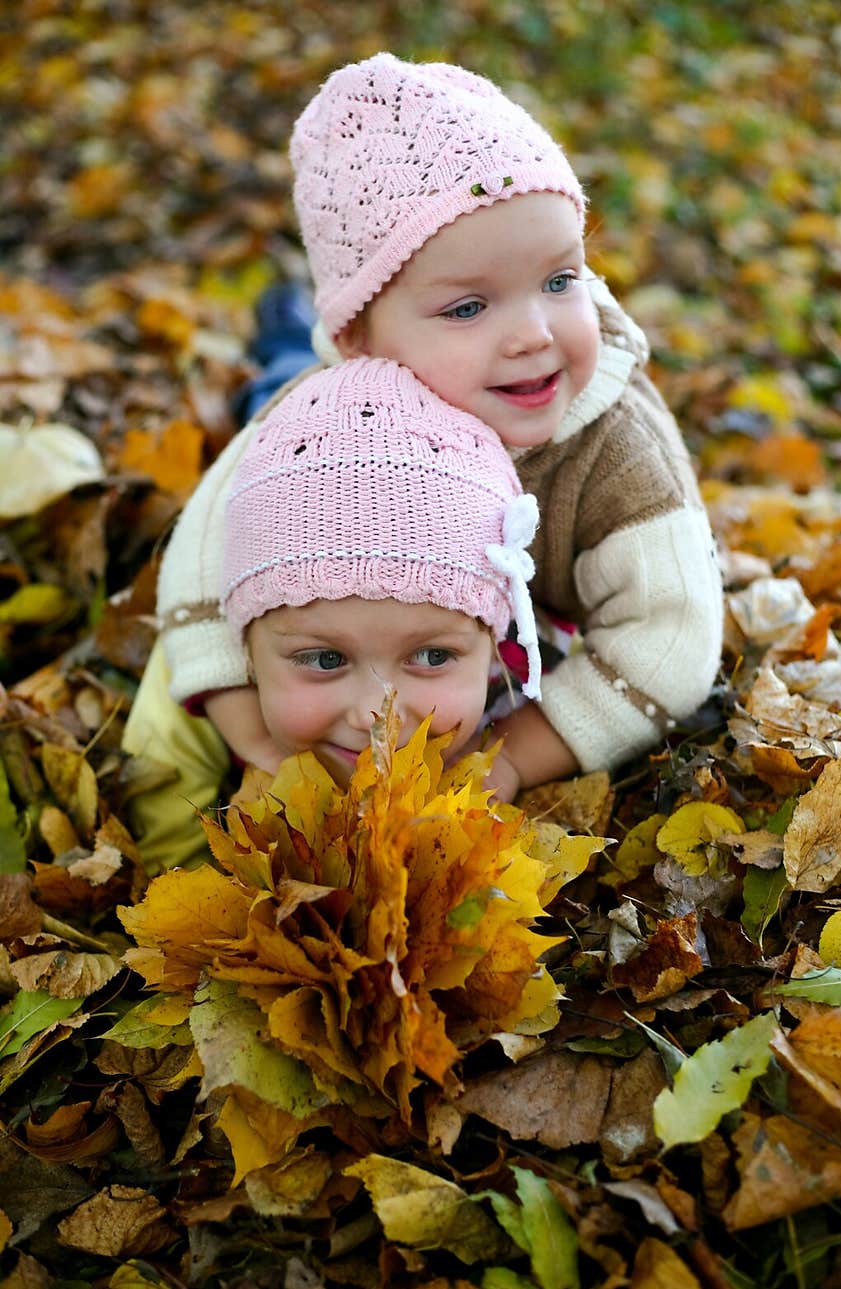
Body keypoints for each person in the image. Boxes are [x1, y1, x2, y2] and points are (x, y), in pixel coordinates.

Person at [125, 51, 723, 856]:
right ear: (360, 335)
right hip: (323, 405)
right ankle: (281, 325)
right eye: (469, 305)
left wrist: (513, 754)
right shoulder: (316, 421)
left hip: (494, 626)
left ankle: (284, 323)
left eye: (560, 280)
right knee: (265, 388)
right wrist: (258, 741)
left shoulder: (614, 452)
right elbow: (200, 573)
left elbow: (671, 638)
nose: (534, 335)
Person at [123, 354, 542, 871]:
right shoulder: (188, 699)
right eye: (324, 660)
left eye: (432, 655)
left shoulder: (522, 686)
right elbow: (163, 865)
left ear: (493, 648)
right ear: (247, 652)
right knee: (274, 380)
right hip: (290, 412)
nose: (377, 715)